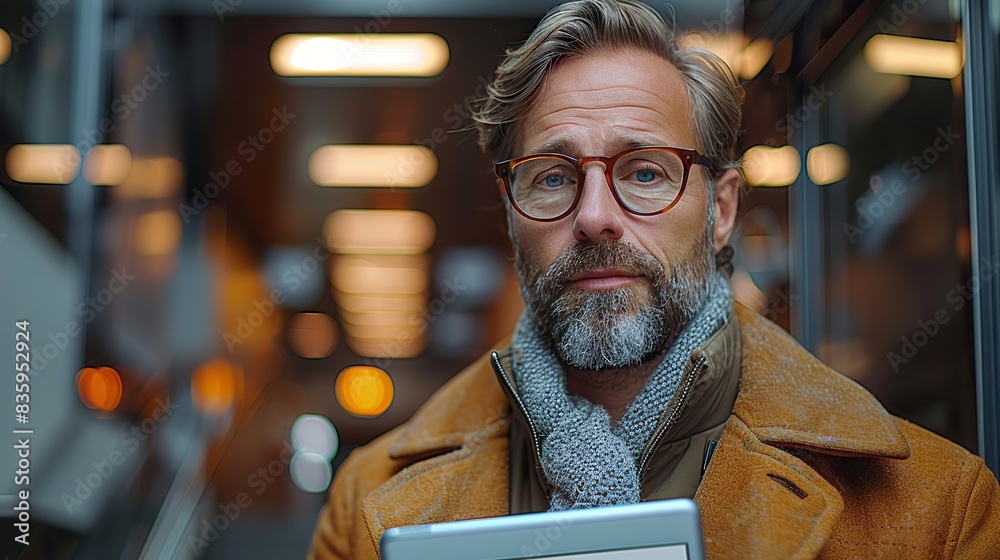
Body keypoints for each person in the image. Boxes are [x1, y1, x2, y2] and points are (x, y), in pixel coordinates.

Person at [309, 1, 1000, 557]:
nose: (596, 218)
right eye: (553, 177)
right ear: (512, 215)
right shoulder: (366, 509)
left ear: (722, 209)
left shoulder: (937, 512)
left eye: (644, 171)